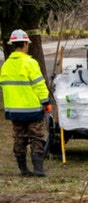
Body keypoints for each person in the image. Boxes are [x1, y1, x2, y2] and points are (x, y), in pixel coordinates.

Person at [0, 29, 51, 177]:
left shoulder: (6, 65)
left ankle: (23, 169)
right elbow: (39, 85)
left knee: (19, 137)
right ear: (24, 44)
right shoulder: (30, 63)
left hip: (14, 111)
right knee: (36, 137)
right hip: (32, 109)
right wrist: (46, 101)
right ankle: (38, 169)